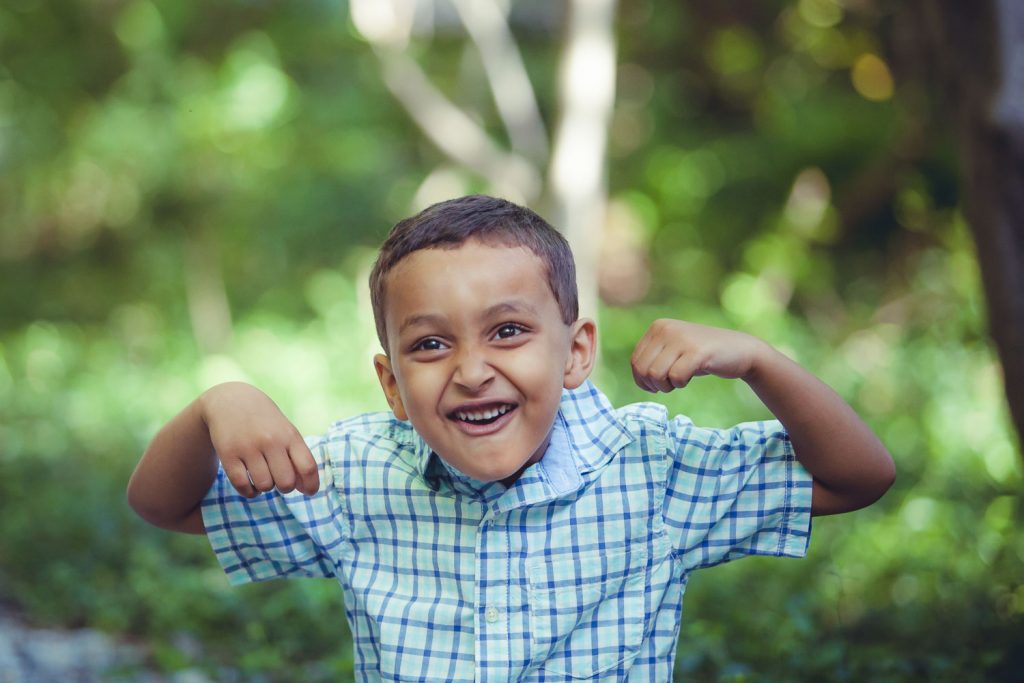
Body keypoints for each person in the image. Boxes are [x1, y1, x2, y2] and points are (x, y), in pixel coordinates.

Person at [127, 195, 895, 681]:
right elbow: (163, 504)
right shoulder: (356, 478)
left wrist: (759, 359)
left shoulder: (650, 471)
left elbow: (861, 475)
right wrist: (214, 406)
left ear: (577, 351)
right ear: (391, 383)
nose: (471, 370)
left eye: (508, 330)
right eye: (429, 345)